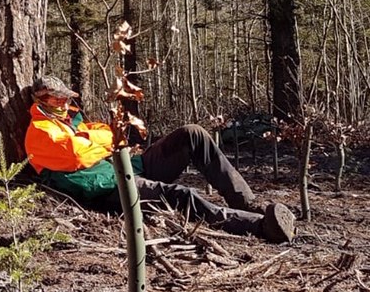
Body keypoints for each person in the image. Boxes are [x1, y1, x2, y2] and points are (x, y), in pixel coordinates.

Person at [24, 75, 295, 243]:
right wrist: (97, 143)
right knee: (180, 195)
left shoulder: (73, 122)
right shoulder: (40, 131)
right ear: (41, 99)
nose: (62, 103)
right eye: (55, 98)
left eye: (64, 98)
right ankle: (259, 226)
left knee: (193, 134)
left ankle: (248, 203)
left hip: (128, 168)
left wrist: (95, 143)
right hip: (106, 189)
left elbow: (113, 136)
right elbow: (76, 154)